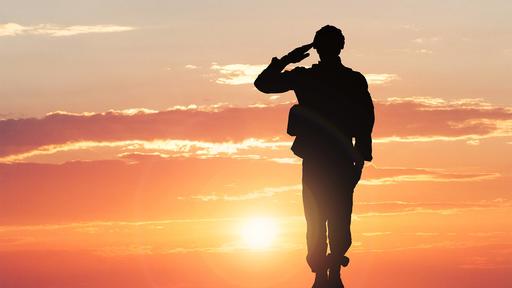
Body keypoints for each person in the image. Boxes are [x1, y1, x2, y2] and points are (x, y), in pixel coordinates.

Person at [254, 25, 374, 288]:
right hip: (333, 157)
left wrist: (287, 59)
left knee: (324, 214)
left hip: (329, 157)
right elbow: (366, 118)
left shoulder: (314, 78)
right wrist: (361, 154)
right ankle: (326, 270)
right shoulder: (345, 79)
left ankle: (327, 270)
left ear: (318, 48)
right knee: (331, 213)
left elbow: (263, 83)